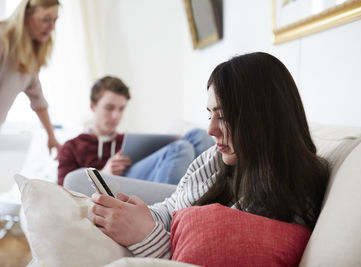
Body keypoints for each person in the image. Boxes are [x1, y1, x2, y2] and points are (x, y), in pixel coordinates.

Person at [88, 52, 330, 259]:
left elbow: (204, 258)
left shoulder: (286, 194)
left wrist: (144, 234)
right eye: (210, 114)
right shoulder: (213, 159)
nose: (211, 130)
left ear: (261, 118)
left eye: (223, 116)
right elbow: (173, 206)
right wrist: (140, 216)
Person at [57, 76, 214, 185]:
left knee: (198, 135)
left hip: (143, 182)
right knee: (181, 148)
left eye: (121, 109)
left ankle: (208, 198)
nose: (116, 116)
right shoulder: (71, 146)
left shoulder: (127, 141)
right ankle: (170, 215)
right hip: (111, 189)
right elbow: (64, 189)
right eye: (109, 108)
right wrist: (102, 174)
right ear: (93, 106)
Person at [0, 0, 61, 153]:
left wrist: (51, 136)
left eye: (55, 20)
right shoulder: (2, 40)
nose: (51, 26)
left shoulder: (29, 57)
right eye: (46, 19)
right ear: (26, 15)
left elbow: (38, 99)